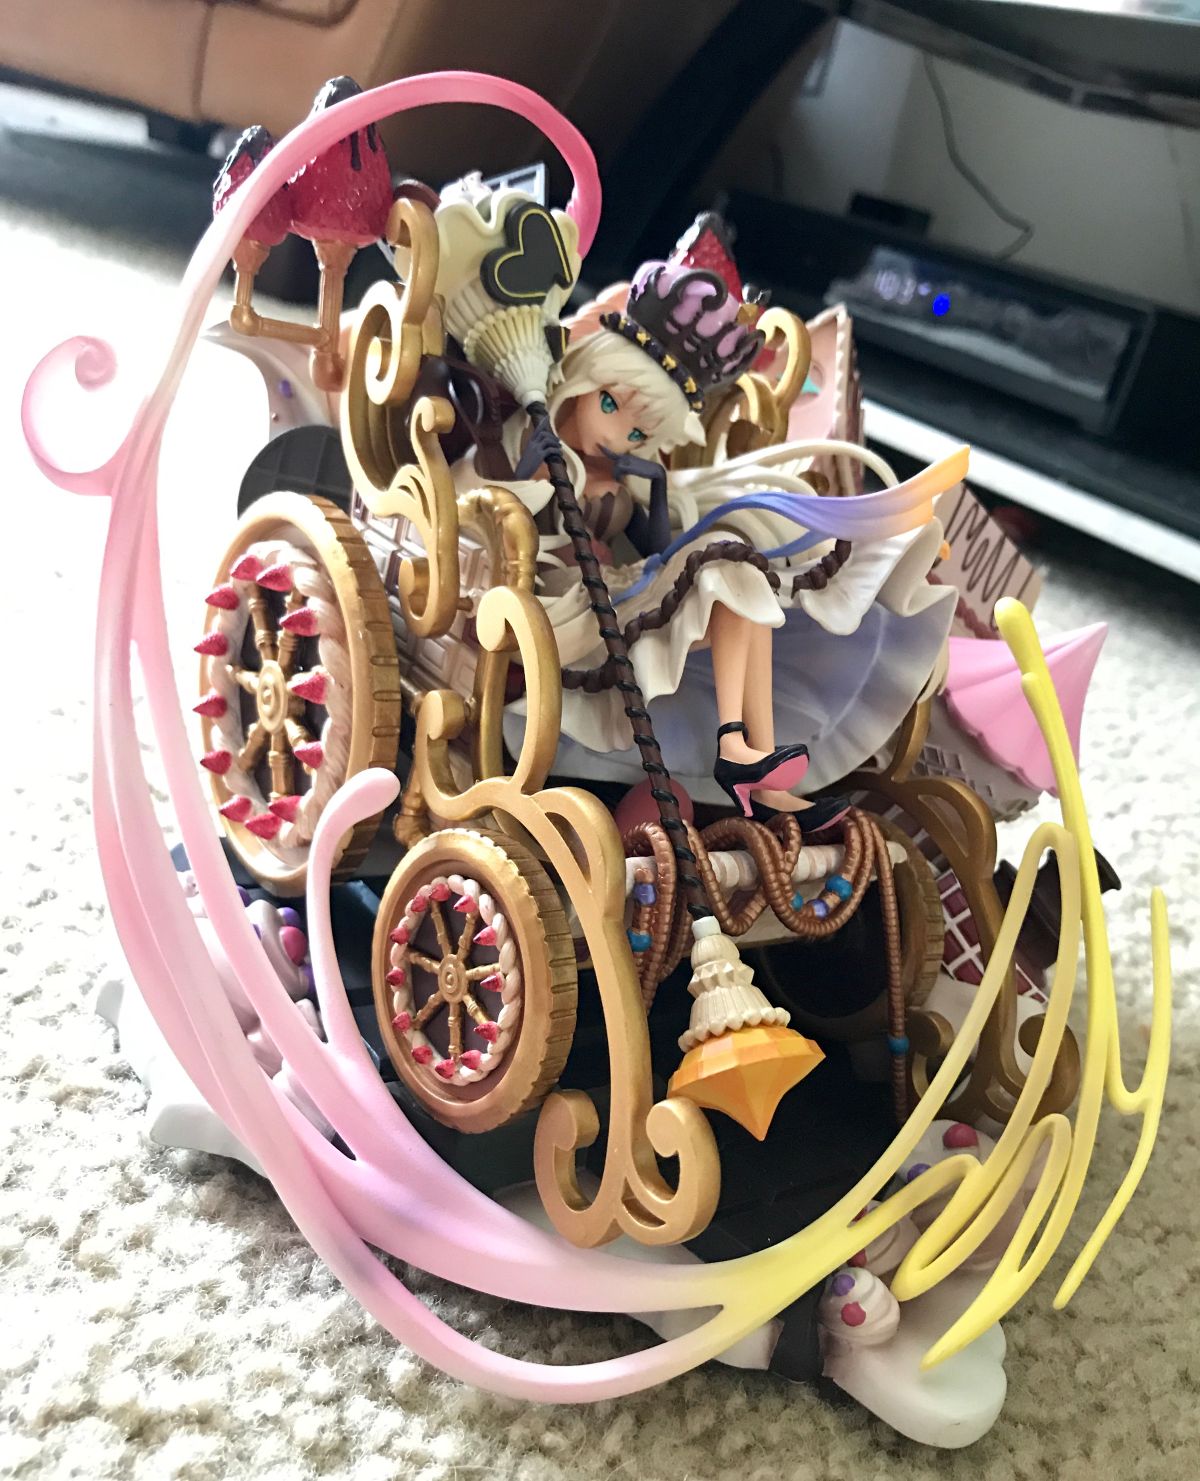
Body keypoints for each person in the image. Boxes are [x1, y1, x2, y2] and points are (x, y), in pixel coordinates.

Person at [449, 215, 963, 823]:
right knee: (719, 564)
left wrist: (652, 484)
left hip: (618, 592)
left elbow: (652, 548)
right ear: (581, 384)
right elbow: (495, 528)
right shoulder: (530, 448)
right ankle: (744, 758)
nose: (620, 434)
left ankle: (751, 758)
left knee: (736, 570)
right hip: (560, 613)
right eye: (610, 403)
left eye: (639, 431)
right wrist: (533, 479)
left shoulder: (621, 471)